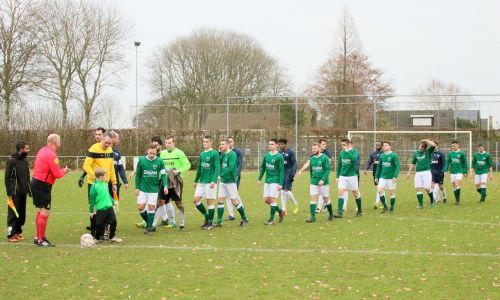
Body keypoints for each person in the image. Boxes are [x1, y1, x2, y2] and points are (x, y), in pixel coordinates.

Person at [31, 134, 70, 247]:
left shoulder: (42, 150)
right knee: (45, 212)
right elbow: (57, 174)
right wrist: (64, 171)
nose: (60, 143)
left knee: (40, 210)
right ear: (55, 142)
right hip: (43, 185)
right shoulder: (52, 155)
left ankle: (38, 237)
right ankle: (41, 239)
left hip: (36, 182)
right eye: (59, 141)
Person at [82, 132, 117, 236]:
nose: (107, 145)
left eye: (109, 143)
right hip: (94, 183)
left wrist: (114, 182)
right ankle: (93, 232)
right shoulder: (93, 148)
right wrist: (96, 177)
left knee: (103, 207)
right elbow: (86, 165)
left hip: (105, 184)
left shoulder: (110, 150)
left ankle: (101, 231)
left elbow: (111, 168)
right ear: (102, 139)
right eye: (106, 142)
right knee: (94, 206)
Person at [159, 135, 191, 230]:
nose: (168, 144)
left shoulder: (179, 153)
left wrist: (178, 171)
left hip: (176, 181)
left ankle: (182, 223)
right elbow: (160, 166)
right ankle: (171, 221)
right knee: (162, 201)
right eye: (166, 143)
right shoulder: (162, 153)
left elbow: (187, 165)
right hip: (165, 180)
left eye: (170, 143)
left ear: (174, 143)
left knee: (178, 203)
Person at [135, 144, 168, 234]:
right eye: (150, 153)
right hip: (142, 188)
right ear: (147, 151)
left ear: (156, 152)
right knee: (140, 207)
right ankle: (150, 223)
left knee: (151, 207)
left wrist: (165, 186)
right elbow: (138, 175)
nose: (152, 155)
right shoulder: (141, 161)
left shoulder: (159, 161)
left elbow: (164, 174)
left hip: (153, 189)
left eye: (154, 153)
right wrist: (137, 187)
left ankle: (149, 228)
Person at [296, 142, 332, 222]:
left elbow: (327, 170)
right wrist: (300, 171)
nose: (313, 150)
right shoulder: (312, 158)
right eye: (312, 148)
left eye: (315, 148)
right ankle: (312, 217)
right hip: (314, 182)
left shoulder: (324, 158)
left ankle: (331, 214)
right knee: (313, 198)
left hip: (323, 182)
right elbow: (307, 164)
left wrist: (323, 179)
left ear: (319, 149)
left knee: (325, 199)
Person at [217, 139, 248, 226]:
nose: (221, 145)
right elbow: (218, 163)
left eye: (223, 144)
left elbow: (230, 168)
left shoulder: (232, 154)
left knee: (234, 201)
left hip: (230, 181)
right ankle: (219, 222)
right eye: (220, 144)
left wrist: (221, 175)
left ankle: (244, 219)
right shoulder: (223, 154)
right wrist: (219, 153)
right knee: (220, 200)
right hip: (223, 182)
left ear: (227, 145)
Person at [5, 142, 31, 242]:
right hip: (14, 193)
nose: (28, 151)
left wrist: (29, 190)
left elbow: (27, 177)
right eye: (27, 149)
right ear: (21, 149)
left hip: (23, 192)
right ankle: (11, 235)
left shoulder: (25, 161)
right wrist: (9, 192)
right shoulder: (11, 161)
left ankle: (17, 233)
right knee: (13, 214)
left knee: (21, 215)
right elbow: (7, 177)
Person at [193, 136, 220, 230]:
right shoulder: (201, 154)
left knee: (210, 202)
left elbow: (217, 168)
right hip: (202, 181)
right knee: (196, 200)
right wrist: (196, 180)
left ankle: (210, 224)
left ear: (211, 142)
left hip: (210, 182)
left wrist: (214, 180)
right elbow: (199, 168)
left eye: (207, 142)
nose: (205, 143)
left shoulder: (214, 153)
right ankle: (207, 216)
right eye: (204, 141)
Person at [89, 168, 122, 243]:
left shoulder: (105, 184)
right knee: (100, 225)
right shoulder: (94, 186)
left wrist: (113, 202)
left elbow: (108, 195)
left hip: (109, 207)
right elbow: (92, 200)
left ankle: (112, 237)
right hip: (101, 209)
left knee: (114, 221)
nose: (106, 177)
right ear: (100, 176)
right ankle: (97, 238)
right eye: (105, 175)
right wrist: (91, 211)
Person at [258, 138, 285, 225]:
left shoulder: (279, 157)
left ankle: (271, 219)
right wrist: (259, 179)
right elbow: (263, 168)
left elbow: (281, 171)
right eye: (269, 144)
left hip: (275, 180)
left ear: (276, 145)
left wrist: (280, 184)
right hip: (267, 180)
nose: (270, 145)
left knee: (273, 200)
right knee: (266, 200)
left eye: (272, 144)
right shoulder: (266, 156)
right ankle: (280, 211)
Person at [335, 138, 362, 217]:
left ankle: (359, 210)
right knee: (340, 192)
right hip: (343, 176)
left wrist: (347, 151)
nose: (343, 146)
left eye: (344, 145)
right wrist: (337, 176)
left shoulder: (354, 151)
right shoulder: (341, 153)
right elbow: (339, 165)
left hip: (352, 176)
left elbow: (353, 159)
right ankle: (340, 212)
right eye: (342, 145)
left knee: (355, 193)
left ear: (348, 144)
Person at [406, 139, 436, 209]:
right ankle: (421, 205)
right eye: (419, 147)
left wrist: (426, 140)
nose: (420, 148)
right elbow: (413, 163)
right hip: (418, 173)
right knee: (418, 188)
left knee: (427, 188)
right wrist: (409, 172)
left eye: (421, 147)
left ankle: (432, 200)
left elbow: (433, 145)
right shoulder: (416, 153)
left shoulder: (428, 152)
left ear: (424, 148)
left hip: (426, 173)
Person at [375, 141, 400, 213]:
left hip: (391, 177)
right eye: (384, 145)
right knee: (379, 191)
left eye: (386, 145)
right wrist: (376, 177)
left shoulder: (393, 155)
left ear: (390, 147)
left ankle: (392, 207)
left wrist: (395, 176)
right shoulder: (382, 156)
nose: (384, 147)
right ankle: (385, 206)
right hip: (383, 177)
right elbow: (379, 167)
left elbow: (397, 166)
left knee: (391, 193)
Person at [225, 136, 244, 220]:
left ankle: (242, 209)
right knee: (227, 195)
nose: (230, 143)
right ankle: (231, 215)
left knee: (234, 194)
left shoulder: (237, 152)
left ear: (233, 142)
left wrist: (236, 174)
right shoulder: (224, 151)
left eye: (231, 141)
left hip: (234, 176)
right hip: (225, 176)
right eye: (228, 141)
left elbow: (240, 164)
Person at [444, 140, 468, 205]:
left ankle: (458, 200)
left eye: (454, 146)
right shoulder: (450, 154)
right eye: (452, 146)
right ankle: (457, 200)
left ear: (458, 145)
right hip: (452, 172)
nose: (453, 147)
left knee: (457, 184)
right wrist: (445, 170)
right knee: (454, 186)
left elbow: (465, 163)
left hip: (459, 171)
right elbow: (447, 162)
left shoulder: (462, 153)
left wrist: (465, 172)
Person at [278, 138, 299, 215]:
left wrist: (292, 174)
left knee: (286, 191)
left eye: (281, 144)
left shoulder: (290, 152)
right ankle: (284, 211)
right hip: (282, 174)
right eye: (279, 144)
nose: (280, 145)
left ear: (285, 144)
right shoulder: (279, 153)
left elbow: (295, 163)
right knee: (282, 192)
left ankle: (295, 203)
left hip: (289, 173)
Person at [110, 131, 129, 208]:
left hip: (115, 182)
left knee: (115, 202)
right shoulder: (103, 151)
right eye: (117, 138)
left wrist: (125, 181)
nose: (118, 140)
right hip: (105, 182)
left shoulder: (117, 153)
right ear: (112, 138)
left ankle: (112, 219)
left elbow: (120, 168)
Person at [364, 141, 383, 209]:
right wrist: (366, 169)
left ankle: (377, 202)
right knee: (380, 188)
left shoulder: (384, 154)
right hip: (376, 173)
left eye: (379, 145)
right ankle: (384, 203)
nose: (377, 146)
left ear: (381, 146)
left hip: (383, 173)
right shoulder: (373, 154)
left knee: (379, 188)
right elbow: (369, 162)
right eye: (376, 145)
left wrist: (378, 162)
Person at [317, 138, 331, 212]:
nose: (325, 145)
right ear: (319, 145)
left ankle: (318, 208)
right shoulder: (316, 152)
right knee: (323, 192)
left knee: (321, 191)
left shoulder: (327, 153)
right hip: (317, 174)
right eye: (323, 144)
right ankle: (326, 203)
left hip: (324, 174)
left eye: (325, 144)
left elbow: (328, 162)